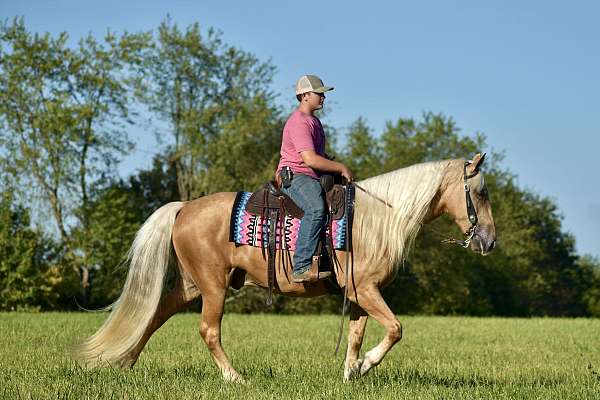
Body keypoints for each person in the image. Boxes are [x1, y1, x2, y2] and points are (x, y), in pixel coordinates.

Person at [276, 75, 354, 283]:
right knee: (316, 209)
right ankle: (301, 266)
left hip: (310, 176)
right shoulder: (299, 122)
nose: (322, 97)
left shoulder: (313, 122)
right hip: (296, 176)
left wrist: (332, 167)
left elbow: (319, 156)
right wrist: (341, 167)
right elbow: (310, 159)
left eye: (322, 93)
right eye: (318, 93)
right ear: (304, 96)